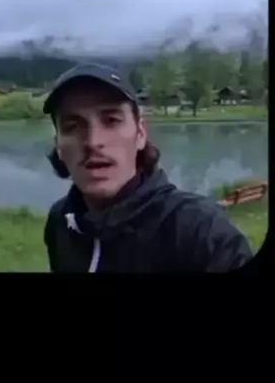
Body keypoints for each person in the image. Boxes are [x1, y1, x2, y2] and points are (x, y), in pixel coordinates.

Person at [43, 64, 253, 272]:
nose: (93, 141)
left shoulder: (204, 233)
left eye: (111, 120)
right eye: (72, 126)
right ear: (58, 145)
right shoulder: (60, 221)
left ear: (140, 134)